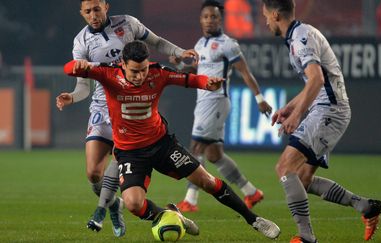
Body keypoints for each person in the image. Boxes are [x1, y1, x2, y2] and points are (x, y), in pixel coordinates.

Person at [63, 40, 281, 240]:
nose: (140, 76)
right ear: (122, 64)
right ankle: (173, 216)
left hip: (162, 145)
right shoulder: (107, 74)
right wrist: (76, 66)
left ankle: (254, 219)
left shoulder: (158, 73)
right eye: (134, 71)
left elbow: (189, 79)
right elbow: (69, 68)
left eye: (143, 70)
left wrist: (207, 83)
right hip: (130, 153)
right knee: (133, 204)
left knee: (206, 181)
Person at [55, 0, 198, 237]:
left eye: (97, 9)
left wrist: (180, 52)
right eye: (88, 11)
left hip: (130, 106)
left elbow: (157, 42)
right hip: (102, 108)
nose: (93, 15)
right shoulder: (81, 41)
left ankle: (140, 212)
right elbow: (83, 87)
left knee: (121, 159)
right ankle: (115, 204)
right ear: (81, 13)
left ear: (106, 7)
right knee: (93, 173)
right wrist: (71, 96)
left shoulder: (127, 24)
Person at [261, 1, 381, 242]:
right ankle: (365, 206)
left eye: (266, 15)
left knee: (285, 169)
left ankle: (306, 238)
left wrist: (297, 116)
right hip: (329, 108)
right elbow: (315, 83)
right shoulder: (301, 33)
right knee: (302, 179)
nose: (266, 21)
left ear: (275, 14)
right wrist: (290, 107)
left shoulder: (300, 38)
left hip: (329, 110)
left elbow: (316, 79)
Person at [170, 0, 273, 213]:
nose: (209, 20)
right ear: (200, 20)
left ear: (220, 19)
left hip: (215, 100)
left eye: (214, 17)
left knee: (195, 148)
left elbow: (245, 72)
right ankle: (251, 192)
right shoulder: (199, 44)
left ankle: (191, 200)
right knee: (214, 155)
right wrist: (178, 64)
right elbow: (197, 70)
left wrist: (260, 98)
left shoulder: (228, 44)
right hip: (204, 102)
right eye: (206, 17)